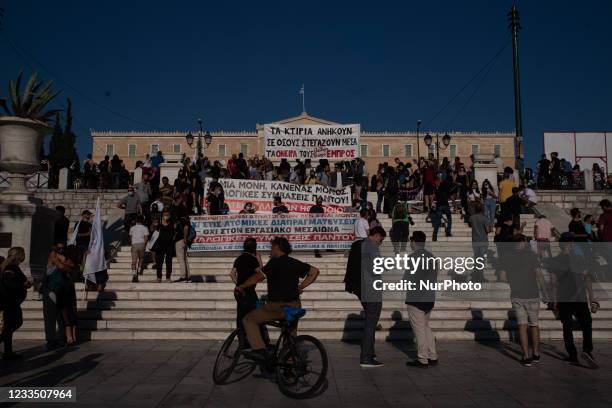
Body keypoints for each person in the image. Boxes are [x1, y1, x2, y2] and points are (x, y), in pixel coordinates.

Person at [237, 237, 320, 362]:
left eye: (271, 248)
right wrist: (301, 287)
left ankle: (260, 351)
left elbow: (257, 277)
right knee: (290, 337)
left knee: (249, 320)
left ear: (277, 248)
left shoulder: (274, 262)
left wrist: (241, 286)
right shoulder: (295, 262)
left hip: (277, 307)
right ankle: (291, 370)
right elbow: (314, 272)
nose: (270, 251)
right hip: (294, 306)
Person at [547, 233, 599, 368]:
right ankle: (587, 349)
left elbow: (553, 282)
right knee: (586, 323)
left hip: (564, 298)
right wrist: (592, 298)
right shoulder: (578, 258)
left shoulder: (555, 261)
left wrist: (553, 301)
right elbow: (587, 278)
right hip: (579, 296)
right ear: (570, 244)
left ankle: (572, 355)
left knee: (567, 326)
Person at [344, 226, 387, 367]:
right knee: (371, 323)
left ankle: (370, 353)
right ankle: (366, 357)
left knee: (370, 320)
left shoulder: (358, 244)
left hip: (359, 287)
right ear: (376, 236)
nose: (379, 243)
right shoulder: (371, 246)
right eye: (380, 240)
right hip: (370, 288)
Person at [501, 235, 542, 366]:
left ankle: (526, 356)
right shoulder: (531, 255)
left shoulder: (507, 257)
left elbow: (502, 277)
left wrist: (513, 281)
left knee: (522, 326)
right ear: (523, 243)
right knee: (534, 324)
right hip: (533, 293)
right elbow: (538, 274)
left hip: (517, 294)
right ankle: (536, 353)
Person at [403, 231, 438, 368]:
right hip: (429, 297)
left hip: (416, 298)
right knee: (425, 326)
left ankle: (422, 358)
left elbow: (408, 278)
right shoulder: (431, 257)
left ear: (413, 241)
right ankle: (432, 355)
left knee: (419, 329)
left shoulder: (413, 257)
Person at [229, 238, 267, 345]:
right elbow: (261, 274)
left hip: (238, 291)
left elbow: (232, 274)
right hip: (249, 291)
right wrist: (259, 260)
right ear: (254, 248)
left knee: (240, 315)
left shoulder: (239, 258)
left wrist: (238, 285)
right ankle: (259, 341)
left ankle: (242, 340)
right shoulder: (252, 259)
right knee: (255, 314)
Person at [0, 247, 31, 359]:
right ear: (19, 255)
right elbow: (8, 283)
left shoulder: (10, 266)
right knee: (16, 323)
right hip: (10, 301)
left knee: (9, 326)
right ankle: (7, 351)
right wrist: (23, 285)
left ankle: (8, 353)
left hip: (11, 301)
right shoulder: (11, 267)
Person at [150, 209, 175, 282]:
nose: (166, 215)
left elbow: (175, 231)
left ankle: (168, 277)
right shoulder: (159, 221)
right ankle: (159, 277)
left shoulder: (172, 221)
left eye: (167, 213)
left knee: (169, 261)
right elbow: (151, 229)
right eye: (165, 213)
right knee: (159, 261)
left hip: (169, 244)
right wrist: (153, 224)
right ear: (162, 214)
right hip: (160, 244)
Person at [469, 202, 490, 282]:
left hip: (475, 241)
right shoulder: (484, 218)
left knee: (476, 258)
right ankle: (480, 276)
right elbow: (487, 230)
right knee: (481, 259)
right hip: (483, 241)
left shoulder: (472, 217)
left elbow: (471, 225)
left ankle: (476, 276)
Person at [129, 215, 149, 283]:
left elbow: (130, 237)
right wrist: (144, 245)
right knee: (141, 258)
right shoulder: (145, 228)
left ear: (136, 220)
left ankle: (134, 274)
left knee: (134, 261)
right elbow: (146, 238)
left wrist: (132, 244)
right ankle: (139, 269)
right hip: (142, 244)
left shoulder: (132, 228)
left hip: (134, 244)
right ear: (142, 220)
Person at [432, 176, 452, 241]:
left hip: (442, 205)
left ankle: (435, 234)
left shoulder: (438, 187)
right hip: (443, 205)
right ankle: (447, 232)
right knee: (445, 219)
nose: (436, 183)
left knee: (441, 220)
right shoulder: (439, 187)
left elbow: (434, 196)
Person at [174, 216, 191, 282]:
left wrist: (184, 237)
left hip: (180, 241)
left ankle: (183, 276)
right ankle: (188, 276)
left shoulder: (181, 219)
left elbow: (186, 227)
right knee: (184, 259)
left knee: (181, 259)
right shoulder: (184, 219)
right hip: (183, 241)